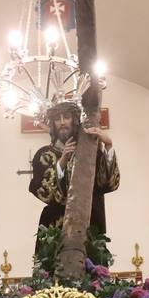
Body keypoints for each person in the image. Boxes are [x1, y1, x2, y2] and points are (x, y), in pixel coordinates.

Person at [29, 101, 120, 239]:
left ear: (75, 120)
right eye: (57, 119)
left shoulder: (89, 152)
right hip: (55, 229)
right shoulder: (43, 155)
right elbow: (44, 193)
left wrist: (108, 145)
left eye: (66, 117)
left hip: (89, 226)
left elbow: (108, 184)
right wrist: (62, 162)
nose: (62, 122)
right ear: (53, 124)